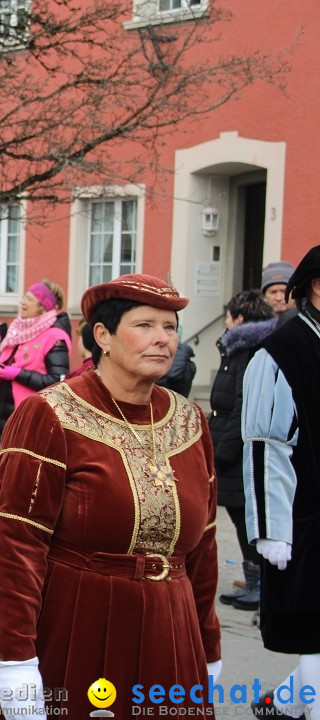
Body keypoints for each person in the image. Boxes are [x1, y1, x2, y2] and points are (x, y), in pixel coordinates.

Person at [0, 273, 221, 719]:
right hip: (77, 625)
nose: (162, 339)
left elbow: (203, 545)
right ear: (103, 336)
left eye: (170, 328)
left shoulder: (189, 421)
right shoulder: (50, 413)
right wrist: (15, 659)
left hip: (170, 632)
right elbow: (16, 544)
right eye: (145, 325)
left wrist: (208, 643)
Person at [242, 245, 320, 718]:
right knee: (313, 626)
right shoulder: (281, 353)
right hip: (306, 516)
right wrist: (271, 528)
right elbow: (267, 445)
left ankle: (286, 703)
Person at [208, 290, 276, 611]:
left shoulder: (247, 352)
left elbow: (242, 407)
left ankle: (260, 584)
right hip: (230, 444)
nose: (225, 321)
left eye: (229, 316)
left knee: (247, 517)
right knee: (241, 517)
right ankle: (254, 581)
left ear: (240, 319)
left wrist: (223, 451)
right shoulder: (238, 349)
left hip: (237, 450)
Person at [0, 282, 71, 454]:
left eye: (29, 299)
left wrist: (18, 374)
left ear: (42, 307)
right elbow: (7, 361)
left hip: (29, 419)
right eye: (24, 296)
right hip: (2, 416)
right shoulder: (17, 331)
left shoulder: (55, 337)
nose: (22, 302)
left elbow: (58, 381)